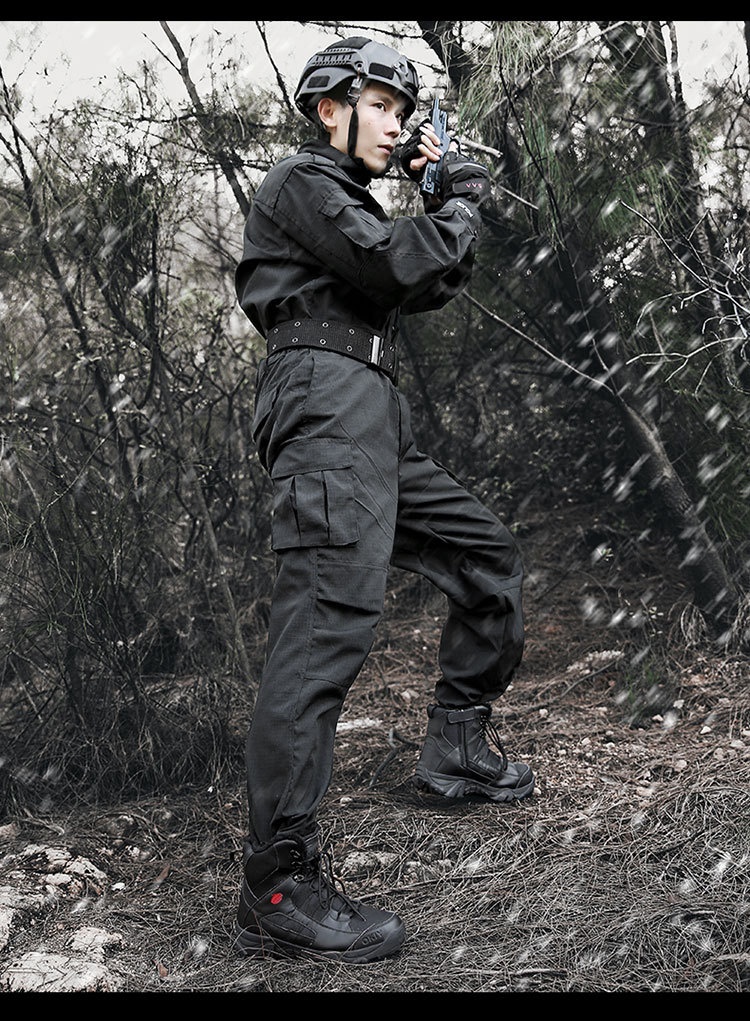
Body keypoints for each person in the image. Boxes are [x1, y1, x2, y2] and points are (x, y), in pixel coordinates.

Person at [232, 35, 534, 964]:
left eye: (405, 113)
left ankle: (455, 746)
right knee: (325, 627)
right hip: (323, 399)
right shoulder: (302, 180)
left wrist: (446, 202)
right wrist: (453, 202)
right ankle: (277, 883)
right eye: (382, 106)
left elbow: (424, 277)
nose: (397, 125)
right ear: (329, 108)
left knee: (483, 552)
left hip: (369, 409)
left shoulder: (350, 203)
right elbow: (397, 265)